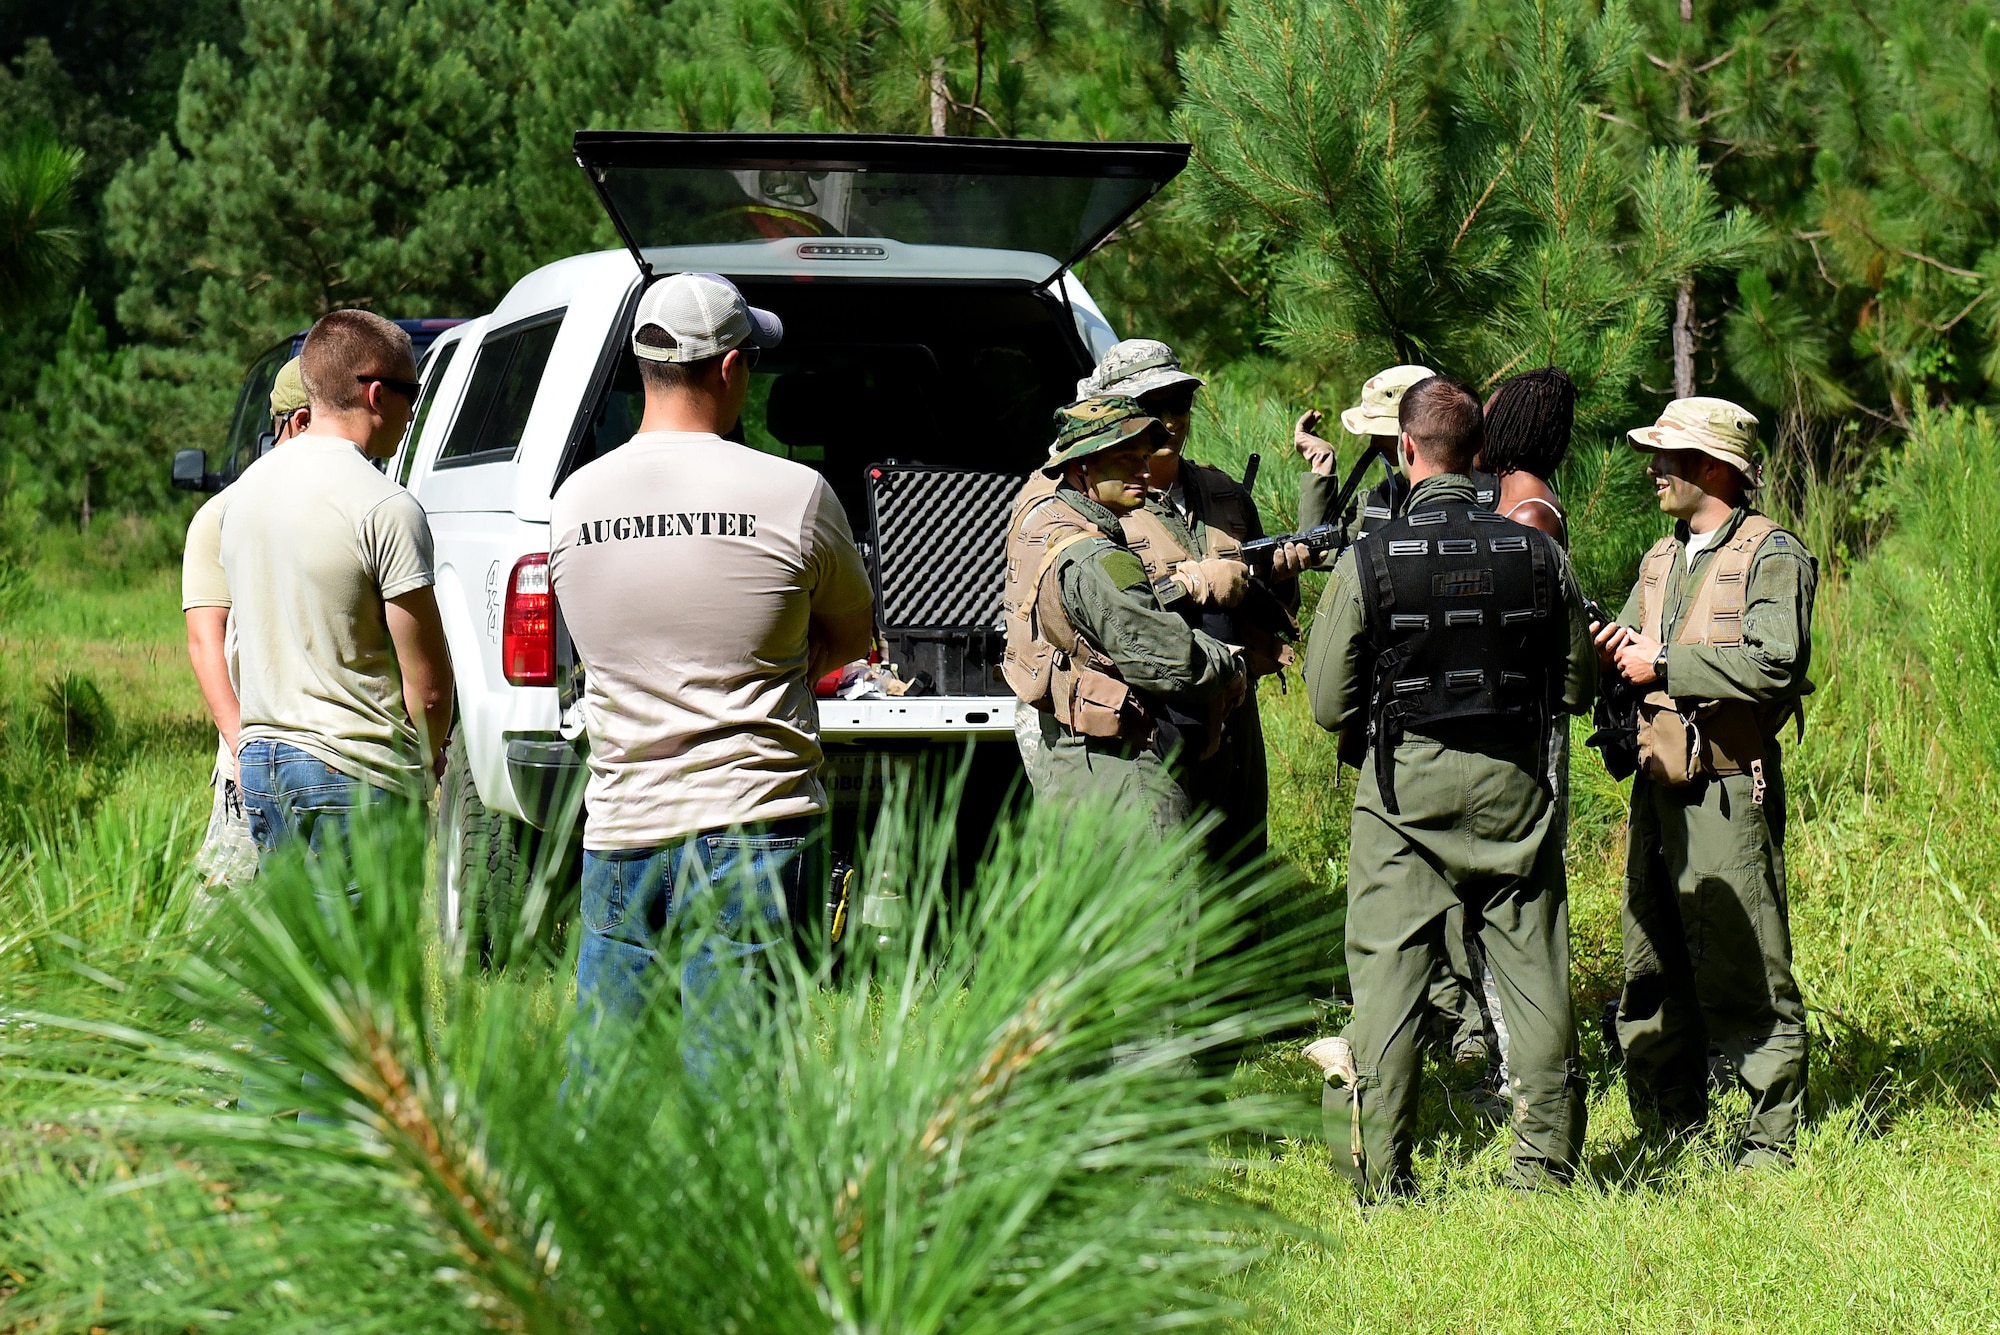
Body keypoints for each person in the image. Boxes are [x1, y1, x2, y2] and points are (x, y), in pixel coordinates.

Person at [549, 272, 874, 1049]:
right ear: (732, 369)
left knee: (603, 1085)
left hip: (623, 826)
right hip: (756, 824)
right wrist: (779, 665)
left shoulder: (572, 501)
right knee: (737, 1096)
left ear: (643, 366)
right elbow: (855, 632)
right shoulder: (794, 492)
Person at [1301, 374, 1596, 1198]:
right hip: (1512, 787)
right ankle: (1543, 1171)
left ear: (1405, 449)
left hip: (1401, 793)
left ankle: (1376, 1175)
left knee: (1388, 983)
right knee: (1535, 974)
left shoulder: (1371, 558)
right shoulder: (1537, 551)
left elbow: (1329, 702)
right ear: (1479, 456)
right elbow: (1574, 683)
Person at [1593, 397, 1816, 1170]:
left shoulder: (1771, 553)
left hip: (1726, 787)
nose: (1653, 468)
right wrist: (1607, 651)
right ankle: (1668, 1118)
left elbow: (1776, 661)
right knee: (1650, 958)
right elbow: (1631, 643)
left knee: (1744, 963)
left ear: (1715, 465)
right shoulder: (1662, 557)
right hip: (1657, 789)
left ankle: (1768, 1139)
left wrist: (1665, 664)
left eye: (1669, 455)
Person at [1296, 362, 1497, 1077]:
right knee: (1410, 898)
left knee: (1454, 896)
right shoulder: (1379, 500)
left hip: (1442, 722)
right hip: (1394, 726)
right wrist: (1318, 479)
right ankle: (1434, 1014)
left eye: (1390, 440)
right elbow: (1335, 562)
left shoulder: (1480, 508)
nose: (1386, 452)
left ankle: (1464, 1025)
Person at [220, 310, 454, 858]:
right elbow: (429, 683)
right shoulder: (385, 505)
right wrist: (428, 754)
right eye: (411, 390)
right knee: (365, 947)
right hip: (356, 770)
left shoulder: (245, 494)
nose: (414, 407)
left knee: (295, 945)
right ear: (377, 394)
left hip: (261, 764)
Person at [1068, 339, 1308, 862]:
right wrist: (1193, 583)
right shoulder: (1090, 508)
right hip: (1149, 715)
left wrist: (1278, 577)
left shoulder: (1224, 494)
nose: (1171, 420)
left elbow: (1264, 603)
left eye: (1180, 404)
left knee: (1240, 863)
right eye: (1153, 408)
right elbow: (1101, 610)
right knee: (1170, 878)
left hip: (1233, 706)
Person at [1000, 395, 1245, 836]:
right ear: (1081, 470)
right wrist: (1228, 661)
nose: (1145, 472)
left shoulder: (1045, 523)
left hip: (1073, 766)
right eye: (1126, 459)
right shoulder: (1096, 558)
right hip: (1125, 776)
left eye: (1145, 457)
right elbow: (1174, 665)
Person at [183, 356, 311, 885]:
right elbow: (204, 643)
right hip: (253, 755)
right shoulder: (222, 514)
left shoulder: (348, 509)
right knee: (227, 914)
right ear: (299, 423)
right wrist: (240, 747)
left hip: (332, 757)